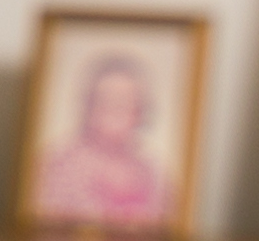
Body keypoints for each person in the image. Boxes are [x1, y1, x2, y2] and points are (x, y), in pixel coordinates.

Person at [29, 51, 172, 229]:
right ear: (88, 105)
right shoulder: (58, 164)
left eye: (124, 101)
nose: (114, 108)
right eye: (105, 99)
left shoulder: (151, 172)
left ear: (140, 110)